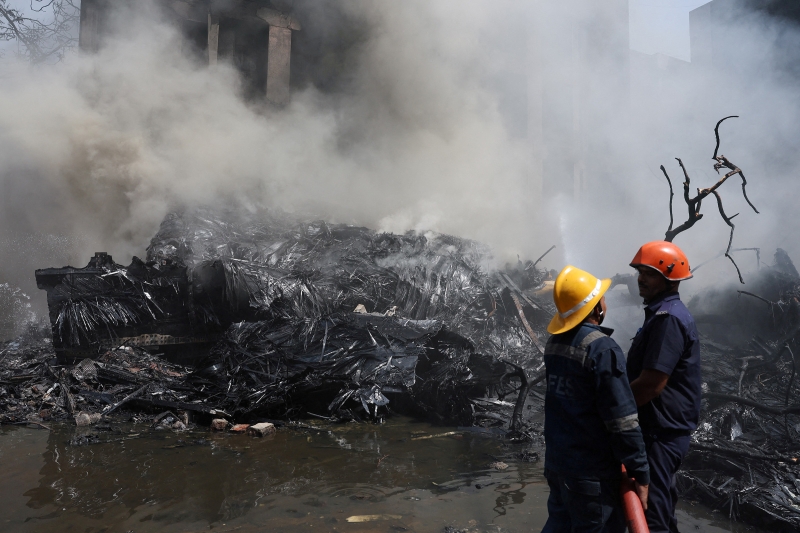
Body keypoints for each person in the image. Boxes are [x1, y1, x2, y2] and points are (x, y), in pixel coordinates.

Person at [542, 265, 650, 533]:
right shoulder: (602, 349)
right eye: (601, 296)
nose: (605, 300)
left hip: (558, 465)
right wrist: (641, 472)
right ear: (595, 307)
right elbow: (622, 421)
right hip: (592, 474)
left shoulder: (554, 343)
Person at [627, 241, 701, 533]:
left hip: (660, 434)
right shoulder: (663, 313)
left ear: (670, 278)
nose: (641, 279)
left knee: (651, 517)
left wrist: (609, 410)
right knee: (661, 512)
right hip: (660, 431)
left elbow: (651, 385)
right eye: (640, 272)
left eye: (650, 273)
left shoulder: (668, 319)